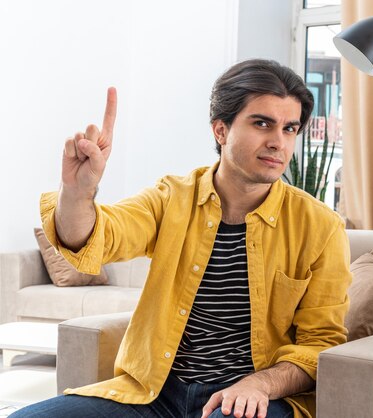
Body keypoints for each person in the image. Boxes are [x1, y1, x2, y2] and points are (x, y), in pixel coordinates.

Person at [12, 59, 352, 418]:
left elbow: (321, 344)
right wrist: (77, 192)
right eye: (262, 123)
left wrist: (261, 384)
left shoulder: (320, 226)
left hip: (250, 399)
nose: (278, 142)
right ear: (221, 130)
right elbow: (95, 236)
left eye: (289, 129)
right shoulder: (171, 198)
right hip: (155, 393)